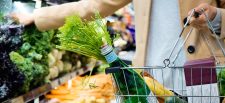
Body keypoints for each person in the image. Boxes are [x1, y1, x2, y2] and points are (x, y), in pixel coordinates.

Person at [11, 0, 225, 95]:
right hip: (151, 80)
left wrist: (215, 17)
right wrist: (38, 17)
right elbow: (93, 6)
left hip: (206, 80)